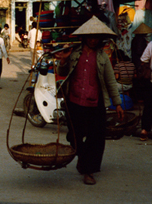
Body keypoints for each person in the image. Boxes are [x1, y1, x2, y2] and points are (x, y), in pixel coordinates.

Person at [55, 16, 123, 186]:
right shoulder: (74, 52)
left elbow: (110, 82)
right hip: (74, 101)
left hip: (95, 103)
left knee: (96, 138)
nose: (93, 40)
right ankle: (83, 160)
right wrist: (63, 59)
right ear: (84, 36)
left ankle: (88, 171)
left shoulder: (102, 57)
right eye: (90, 36)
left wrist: (118, 103)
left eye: (96, 37)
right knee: (74, 137)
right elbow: (62, 71)